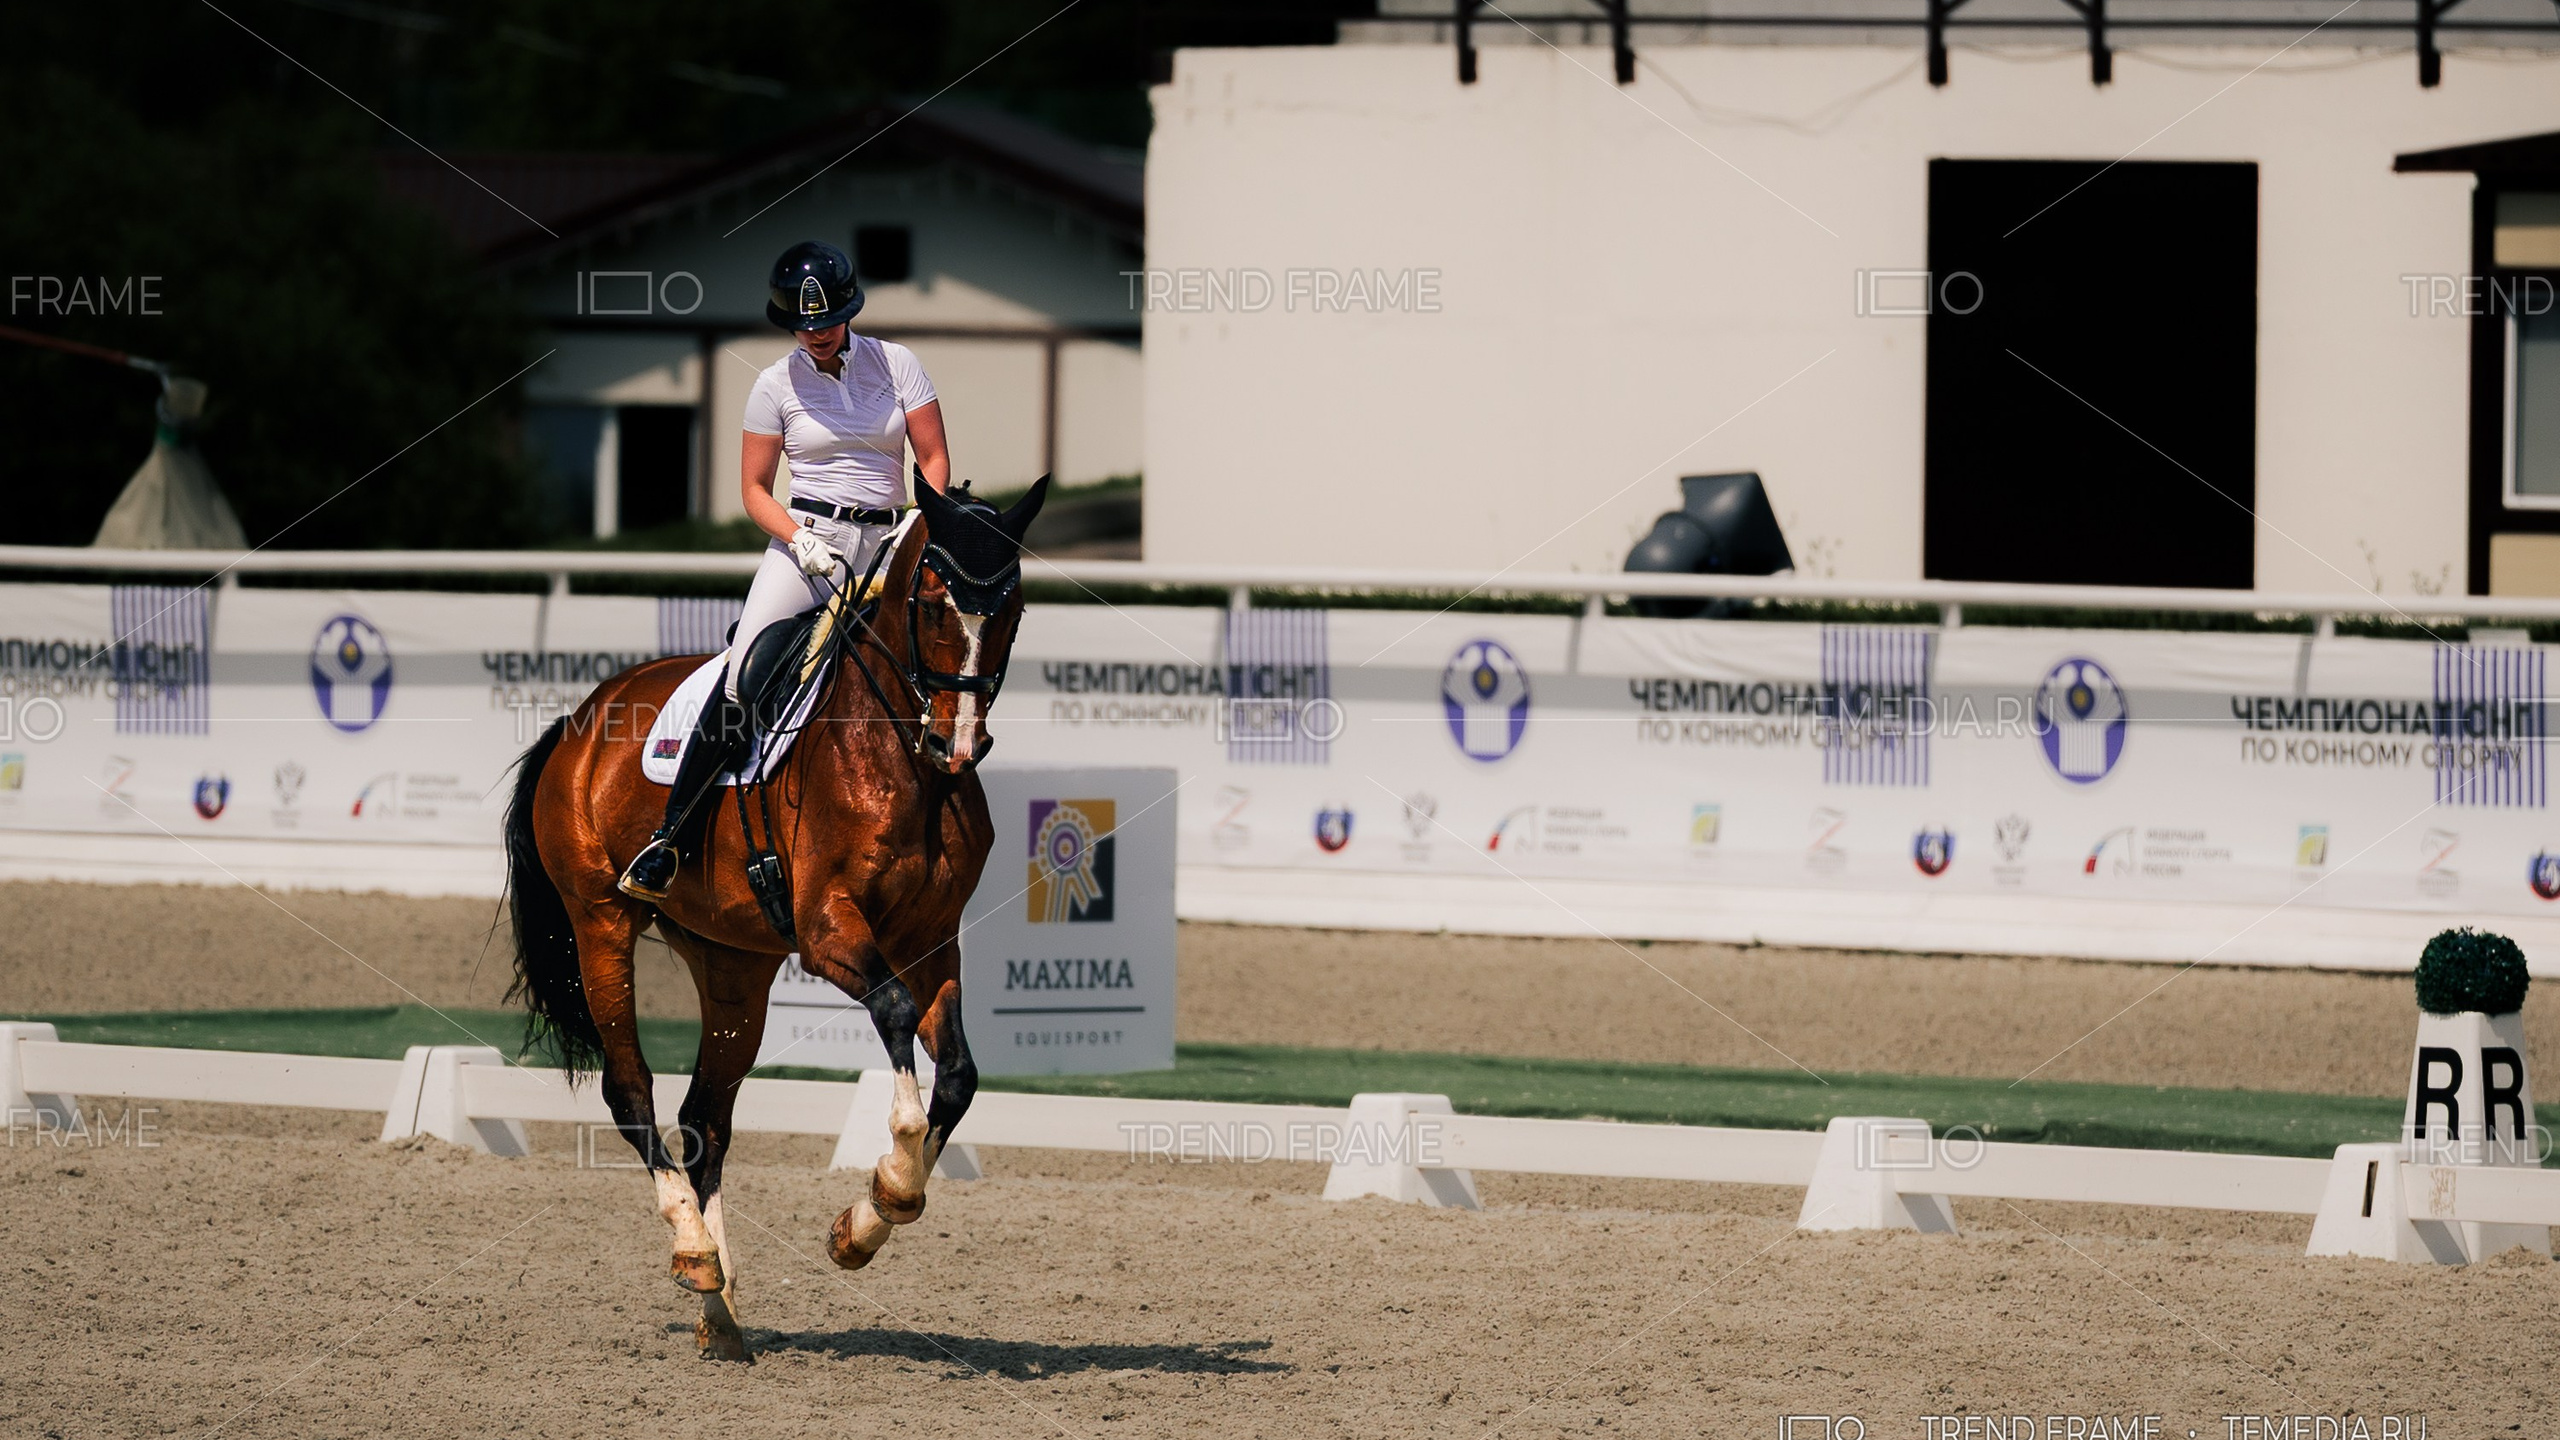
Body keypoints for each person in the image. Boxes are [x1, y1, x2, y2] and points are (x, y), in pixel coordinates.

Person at [619, 240, 950, 901]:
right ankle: (670, 837)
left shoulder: (899, 364)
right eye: (805, 325)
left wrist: (919, 524)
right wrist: (800, 541)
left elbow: (934, 458)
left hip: (892, 538)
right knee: (745, 675)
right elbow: (754, 490)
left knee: (944, 653)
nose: (817, 333)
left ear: (848, 311)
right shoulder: (774, 385)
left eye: (826, 321)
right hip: (811, 544)